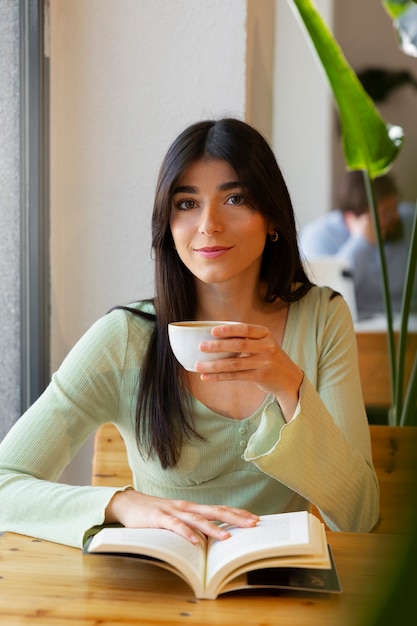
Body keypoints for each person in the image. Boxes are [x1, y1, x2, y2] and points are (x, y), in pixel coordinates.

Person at [0, 118, 379, 549]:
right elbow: (4, 485)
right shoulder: (124, 336)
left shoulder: (323, 318)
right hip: (158, 592)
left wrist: (291, 389)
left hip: (276, 593)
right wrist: (122, 504)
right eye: (186, 204)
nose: (209, 224)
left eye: (235, 198)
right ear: (169, 225)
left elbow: (359, 517)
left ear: (272, 217)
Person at [299, 170, 417, 318]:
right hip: (357, 329)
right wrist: (362, 242)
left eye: (395, 207)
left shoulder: (410, 222)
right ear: (352, 218)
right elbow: (322, 298)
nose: (396, 216)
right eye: (386, 212)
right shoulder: (318, 237)